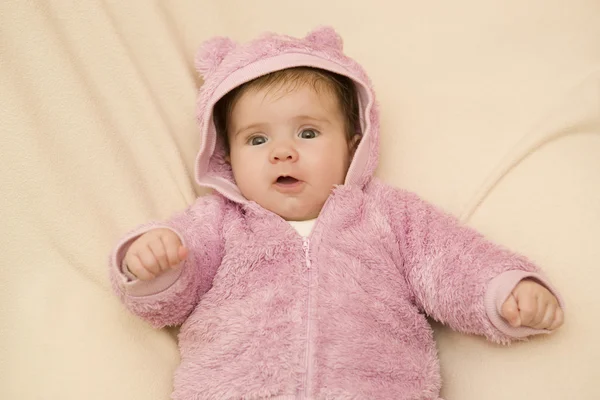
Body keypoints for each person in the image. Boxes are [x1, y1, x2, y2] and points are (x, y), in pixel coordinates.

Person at [109, 27, 564, 400]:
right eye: (257, 139)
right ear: (227, 157)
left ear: (353, 143)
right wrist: (153, 264)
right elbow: (170, 300)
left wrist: (503, 289)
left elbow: (452, 262)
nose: (283, 153)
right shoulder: (217, 223)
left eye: (307, 133)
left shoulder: (390, 215)